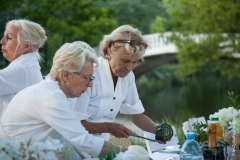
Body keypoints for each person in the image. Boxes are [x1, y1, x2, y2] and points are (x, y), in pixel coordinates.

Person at [1, 41, 123, 159]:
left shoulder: (56, 93)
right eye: (87, 78)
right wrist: (128, 154)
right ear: (66, 75)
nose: (90, 84)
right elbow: (83, 140)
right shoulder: (51, 96)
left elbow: (68, 142)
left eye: (92, 78)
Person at [75, 25, 169, 143]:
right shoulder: (90, 73)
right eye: (125, 61)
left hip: (101, 146)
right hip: (75, 146)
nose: (129, 67)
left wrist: (157, 129)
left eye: (135, 62)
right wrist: (109, 128)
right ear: (109, 52)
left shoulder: (128, 77)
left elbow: (137, 116)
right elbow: (75, 123)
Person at [0, 19, 47, 117]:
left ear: (26, 46)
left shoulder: (22, 69)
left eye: (9, 37)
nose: (2, 41)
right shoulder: (28, 67)